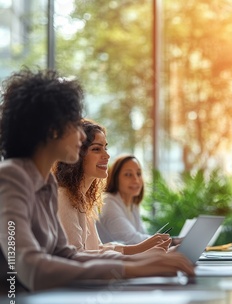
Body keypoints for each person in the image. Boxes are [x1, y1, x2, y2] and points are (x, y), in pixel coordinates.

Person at [0, 68, 194, 291]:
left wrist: (141, 260)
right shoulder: (10, 178)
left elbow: (67, 255)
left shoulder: (46, 184)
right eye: (74, 125)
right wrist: (130, 268)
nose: (81, 136)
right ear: (52, 130)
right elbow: (32, 269)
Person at [53, 119, 170, 254]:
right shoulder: (63, 197)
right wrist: (137, 261)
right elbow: (75, 257)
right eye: (96, 149)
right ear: (76, 155)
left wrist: (141, 248)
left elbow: (96, 248)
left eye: (105, 148)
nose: (107, 155)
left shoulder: (84, 200)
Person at [97, 154, 151, 244]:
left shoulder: (133, 205)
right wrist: (171, 241)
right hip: (111, 258)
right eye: (128, 174)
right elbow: (131, 240)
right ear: (115, 178)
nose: (136, 180)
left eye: (138, 174)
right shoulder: (108, 203)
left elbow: (142, 235)